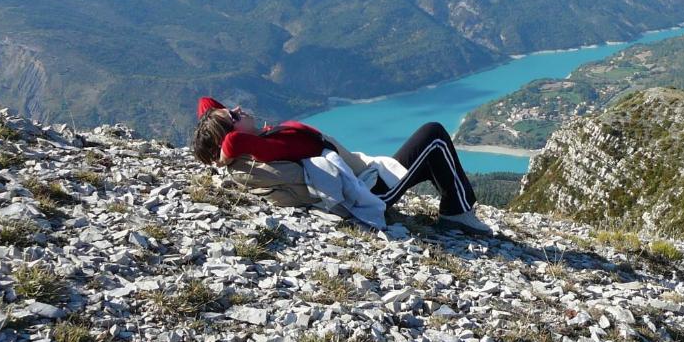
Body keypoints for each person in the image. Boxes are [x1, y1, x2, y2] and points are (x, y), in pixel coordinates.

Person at [190, 97, 492, 234]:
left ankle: (456, 210)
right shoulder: (269, 148)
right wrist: (227, 143)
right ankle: (457, 213)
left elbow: (206, 104)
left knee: (429, 157)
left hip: (368, 173)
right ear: (236, 136)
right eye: (233, 114)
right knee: (434, 135)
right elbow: (230, 142)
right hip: (373, 188)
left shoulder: (259, 148)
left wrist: (220, 132)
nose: (238, 109)